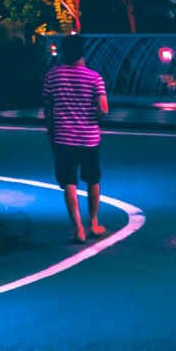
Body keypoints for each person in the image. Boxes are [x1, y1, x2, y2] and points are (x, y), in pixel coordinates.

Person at [41, 33, 109, 243]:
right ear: (83, 53)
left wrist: (51, 129)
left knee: (69, 181)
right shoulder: (94, 77)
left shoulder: (53, 76)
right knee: (92, 179)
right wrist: (94, 117)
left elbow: (48, 107)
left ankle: (78, 229)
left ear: (63, 53)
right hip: (88, 136)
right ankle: (94, 223)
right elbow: (103, 108)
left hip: (62, 137)